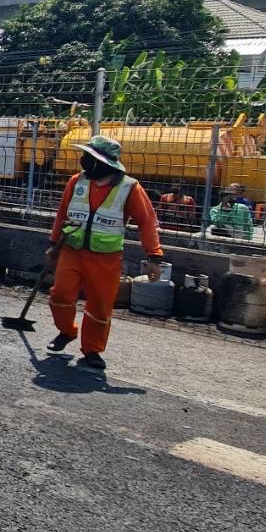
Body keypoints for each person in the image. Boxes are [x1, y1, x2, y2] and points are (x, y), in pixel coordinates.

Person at [46, 135, 164, 371]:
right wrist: (53, 243)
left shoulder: (129, 188)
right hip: (71, 250)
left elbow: (147, 222)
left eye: (89, 157)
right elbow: (62, 214)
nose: (84, 160)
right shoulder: (76, 182)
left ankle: (92, 350)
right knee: (60, 296)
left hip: (106, 258)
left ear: (103, 162)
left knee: (100, 306)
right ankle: (67, 331)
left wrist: (154, 257)